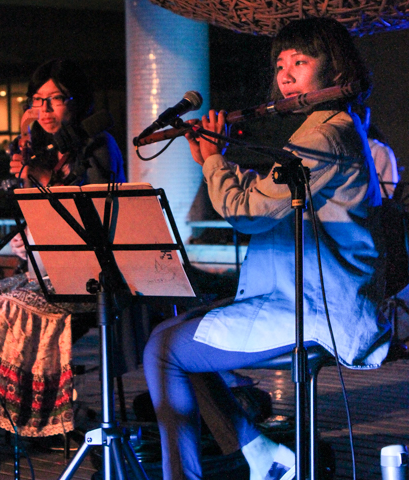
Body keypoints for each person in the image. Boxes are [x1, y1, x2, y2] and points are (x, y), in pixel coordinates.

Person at [143, 17, 392, 480]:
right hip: (298, 295)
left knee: (165, 351)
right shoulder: (325, 128)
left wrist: (213, 161)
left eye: (300, 62)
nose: (286, 75)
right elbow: (268, 195)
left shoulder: (325, 135)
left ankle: (206, 468)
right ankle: (262, 454)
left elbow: (248, 213)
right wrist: (217, 157)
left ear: (335, 70)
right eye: (280, 65)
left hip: (318, 308)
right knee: (167, 337)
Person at [0, 58, 127, 439]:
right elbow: (39, 221)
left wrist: (42, 176)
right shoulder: (44, 148)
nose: (45, 109)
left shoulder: (98, 145)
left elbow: (93, 223)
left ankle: (31, 421)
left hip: (85, 281)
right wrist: (27, 239)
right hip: (40, 273)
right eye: (37, 100)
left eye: (56, 99)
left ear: (77, 102)